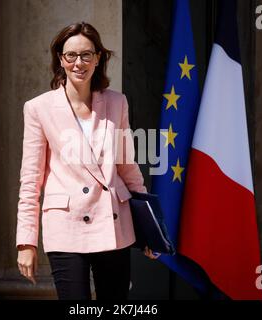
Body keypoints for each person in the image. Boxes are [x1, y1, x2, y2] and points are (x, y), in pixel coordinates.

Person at [16, 21, 158, 300]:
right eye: (71, 55)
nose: (78, 63)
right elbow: (30, 180)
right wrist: (26, 242)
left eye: (86, 55)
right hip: (66, 227)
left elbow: (128, 168)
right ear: (60, 59)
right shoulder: (38, 108)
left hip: (112, 224)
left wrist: (149, 228)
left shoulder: (117, 102)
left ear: (98, 58)